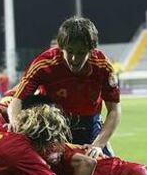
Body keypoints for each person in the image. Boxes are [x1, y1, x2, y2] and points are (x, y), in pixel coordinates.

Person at [8, 16, 121, 158]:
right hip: (54, 129)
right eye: (70, 51)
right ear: (61, 47)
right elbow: (16, 101)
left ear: (91, 49)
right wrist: (16, 124)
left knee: (109, 170)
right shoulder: (44, 64)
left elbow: (114, 110)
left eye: (81, 53)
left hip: (91, 127)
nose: (74, 59)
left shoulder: (103, 66)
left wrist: (98, 145)